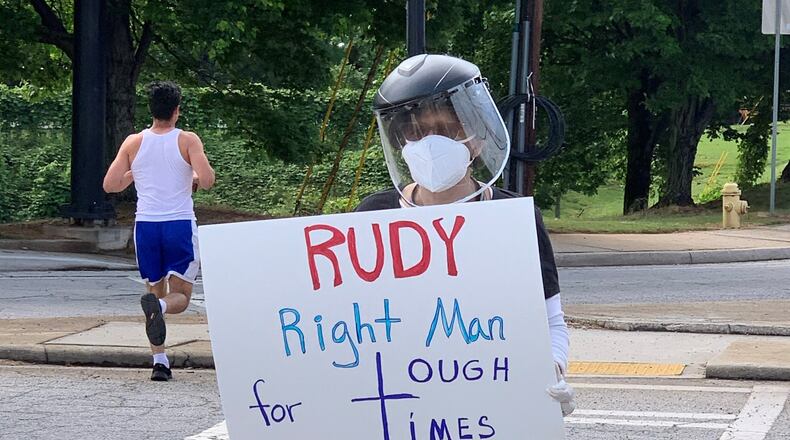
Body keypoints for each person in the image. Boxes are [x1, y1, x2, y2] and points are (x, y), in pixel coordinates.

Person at [356, 54, 575, 416]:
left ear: (476, 137)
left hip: (486, 413)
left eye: (447, 128)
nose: (430, 141)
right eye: (416, 131)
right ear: (400, 141)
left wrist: (551, 369)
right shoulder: (374, 216)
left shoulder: (512, 220)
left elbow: (550, 320)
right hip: (400, 410)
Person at [103, 81, 215, 381]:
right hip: (179, 224)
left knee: (152, 289)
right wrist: (193, 172)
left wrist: (133, 172)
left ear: (151, 111)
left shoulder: (133, 142)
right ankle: (162, 306)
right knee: (180, 297)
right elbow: (206, 180)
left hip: (146, 226)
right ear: (176, 110)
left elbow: (110, 185)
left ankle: (160, 362)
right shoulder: (188, 140)